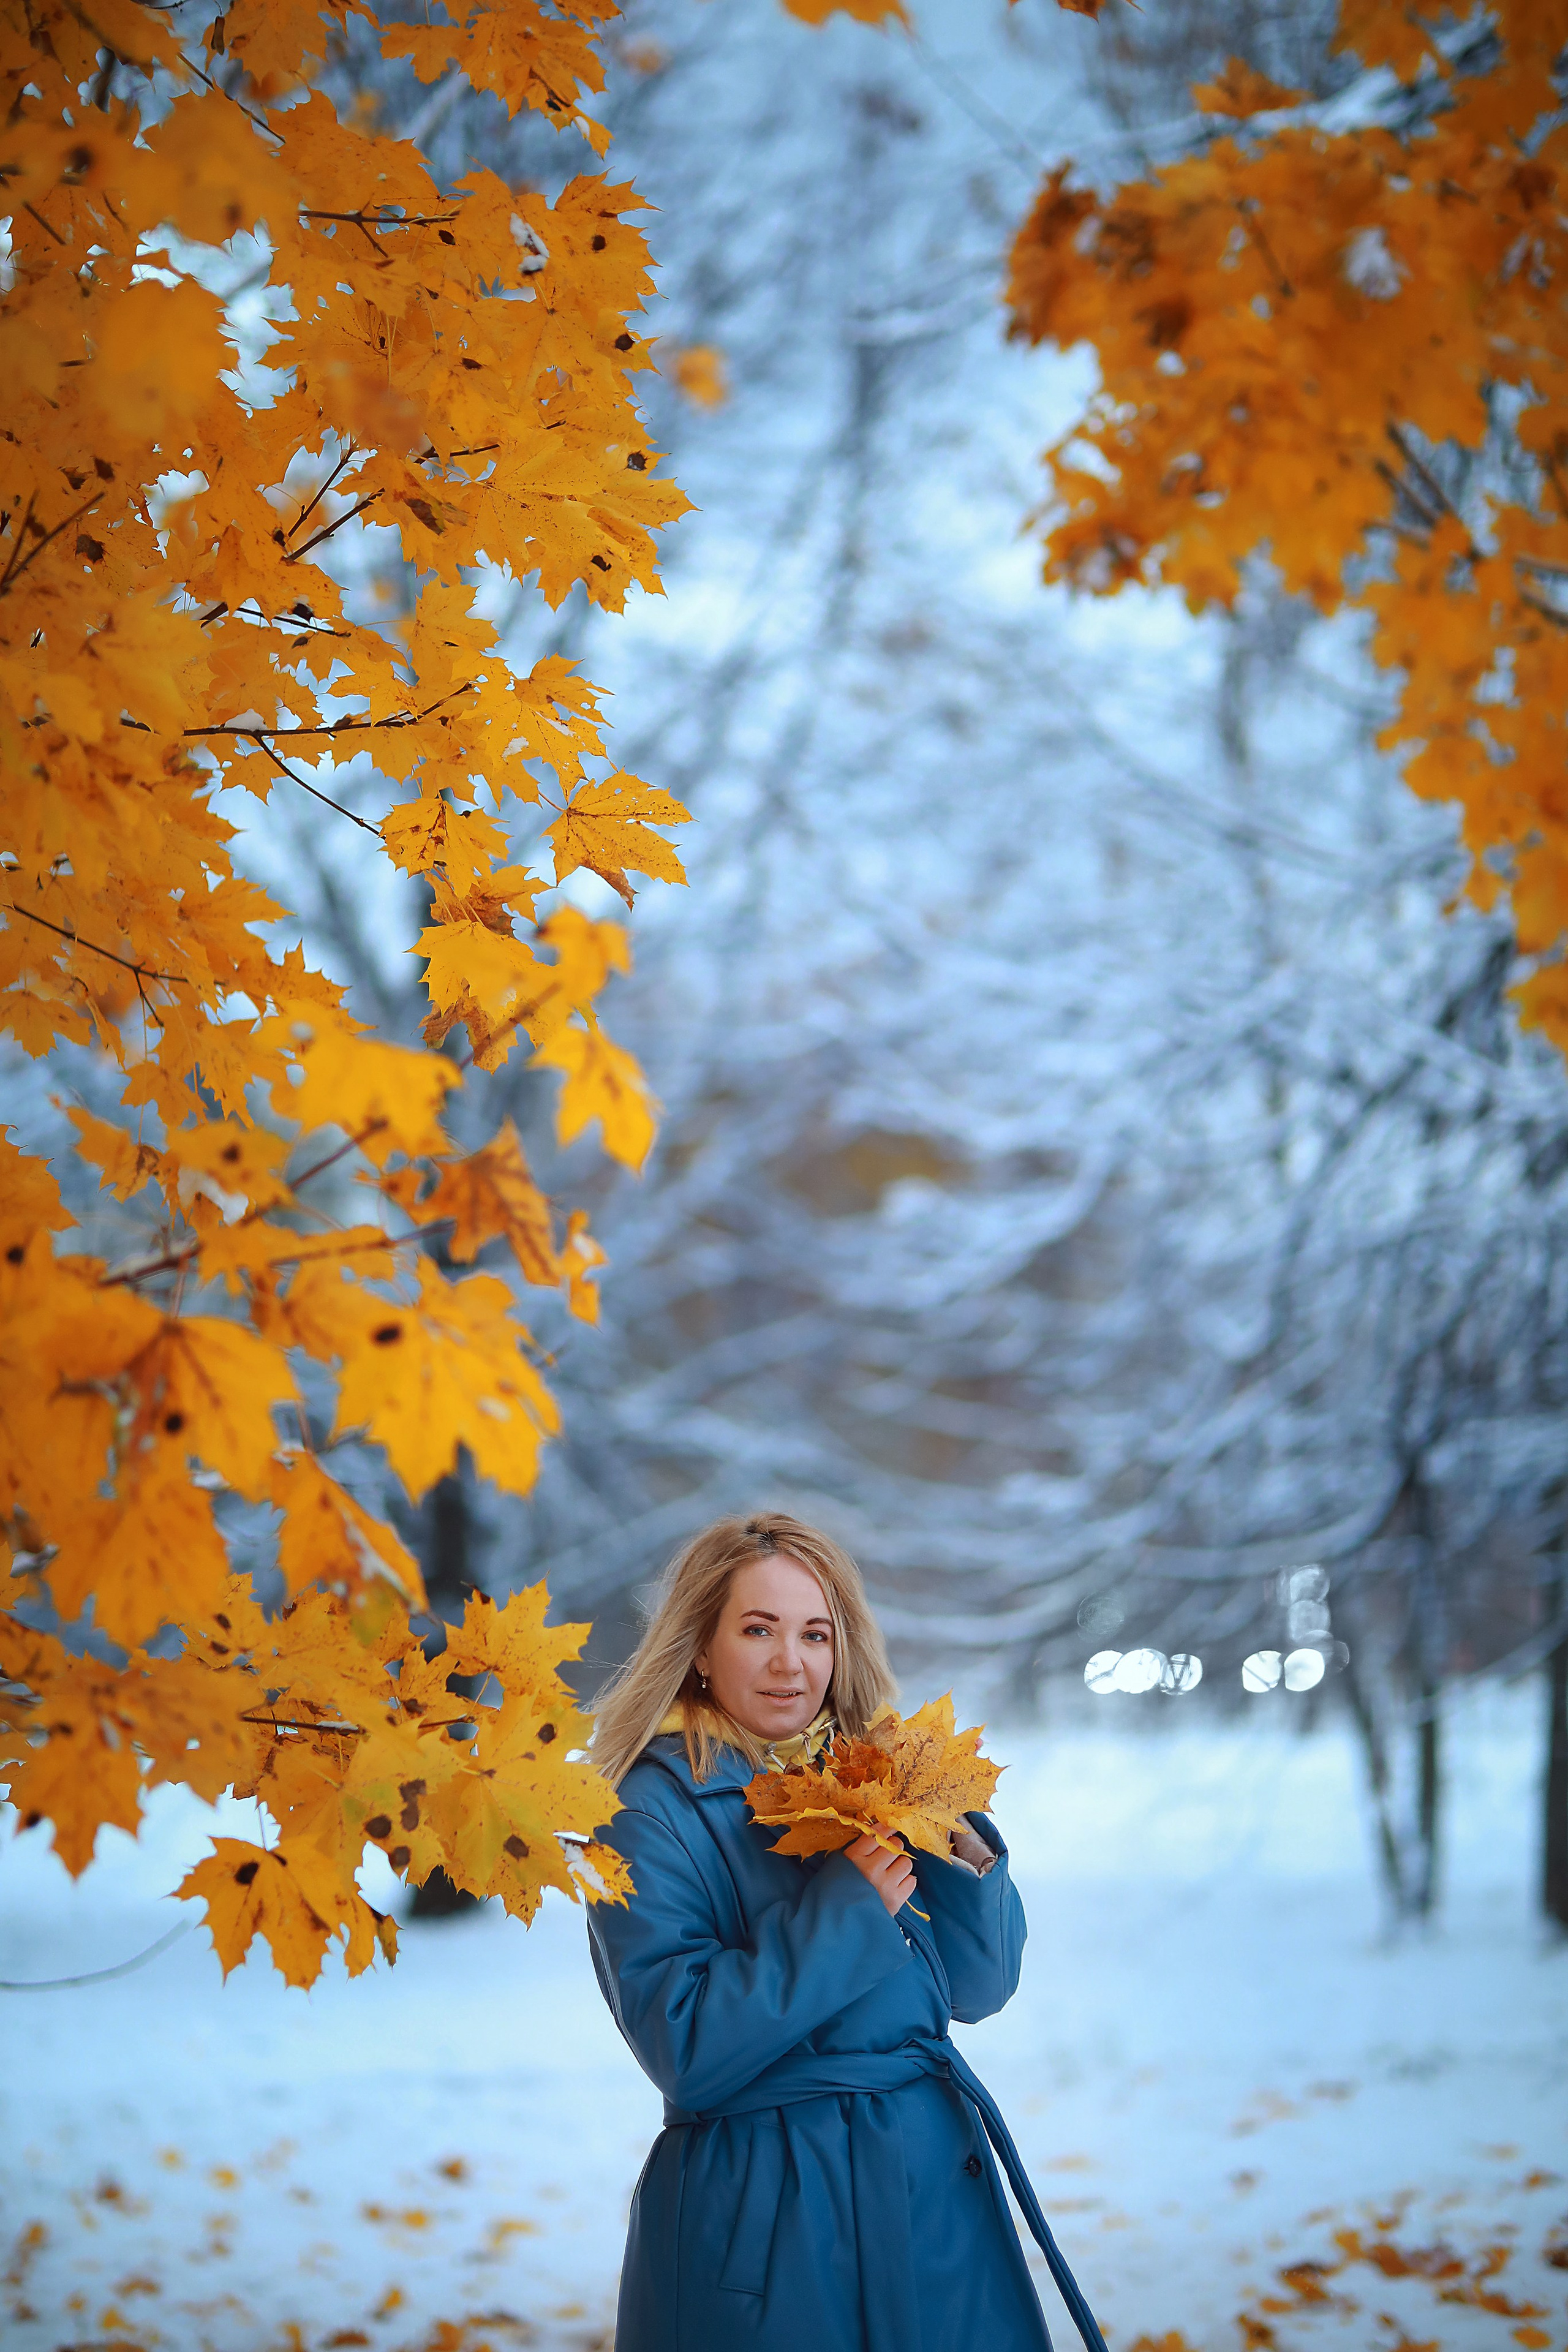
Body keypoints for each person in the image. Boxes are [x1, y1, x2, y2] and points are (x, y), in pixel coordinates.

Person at [586, 1510, 1109, 2352]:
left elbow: (979, 1988)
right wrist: (848, 1913)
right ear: (700, 1647)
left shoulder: (870, 1780)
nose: (792, 1663)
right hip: (772, 2217)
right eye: (758, 1630)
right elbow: (682, 2045)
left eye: (815, 1635)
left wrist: (959, 1852)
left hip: (928, 2191)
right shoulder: (650, 1810)